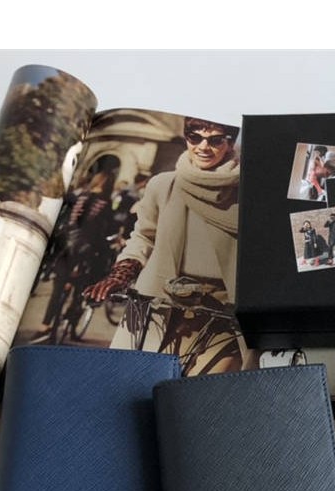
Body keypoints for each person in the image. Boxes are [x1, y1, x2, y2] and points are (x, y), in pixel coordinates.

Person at [84, 117, 253, 372]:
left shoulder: (248, 193)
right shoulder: (162, 185)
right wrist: (120, 274)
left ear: (229, 143)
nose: (203, 147)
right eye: (195, 137)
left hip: (221, 316)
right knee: (130, 381)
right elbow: (143, 236)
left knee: (205, 389)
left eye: (215, 140)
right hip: (157, 307)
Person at [31, 169, 116, 341]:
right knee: (83, 291)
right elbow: (104, 231)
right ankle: (72, 322)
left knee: (57, 291)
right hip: (86, 255)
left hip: (66, 251)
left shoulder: (80, 196)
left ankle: (45, 326)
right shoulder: (106, 204)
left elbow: (69, 222)